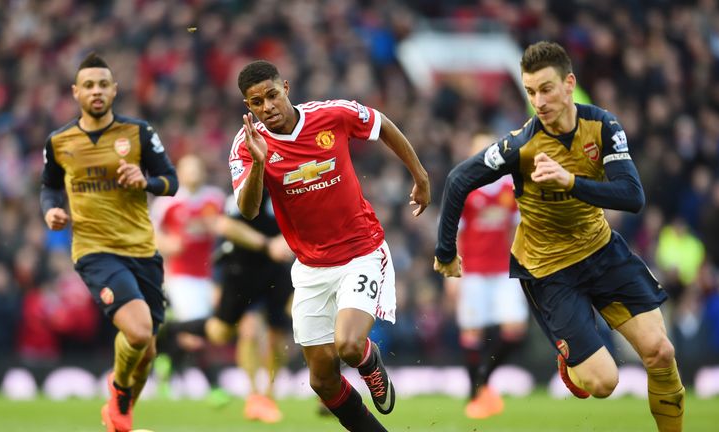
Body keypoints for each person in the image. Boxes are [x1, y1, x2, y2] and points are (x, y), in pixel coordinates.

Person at [434, 41, 684, 432]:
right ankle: (571, 362)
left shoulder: (603, 126)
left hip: (602, 251)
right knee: (603, 384)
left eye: (546, 89)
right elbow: (458, 179)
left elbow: (633, 196)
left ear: (569, 84)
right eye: (530, 91)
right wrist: (446, 250)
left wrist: (571, 181)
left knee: (661, 352)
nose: (538, 100)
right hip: (550, 271)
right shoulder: (520, 144)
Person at [230, 60, 430, 431]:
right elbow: (248, 208)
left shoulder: (331, 115)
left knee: (349, 346)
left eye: (272, 95)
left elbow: (381, 123)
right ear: (249, 106)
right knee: (321, 381)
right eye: (256, 102)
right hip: (310, 268)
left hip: (362, 253)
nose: (267, 107)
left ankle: (370, 360)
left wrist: (419, 176)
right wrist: (259, 164)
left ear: (286, 87)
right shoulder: (248, 144)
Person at [40, 52, 178, 432]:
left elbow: (171, 180)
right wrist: (51, 212)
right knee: (137, 331)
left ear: (114, 90)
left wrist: (146, 181)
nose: (96, 91)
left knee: (147, 350)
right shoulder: (60, 141)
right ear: (76, 92)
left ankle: (119, 419)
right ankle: (118, 395)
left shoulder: (138, 133)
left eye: (103, 84)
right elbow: (49, 188)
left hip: (142, 250)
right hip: (95, 250)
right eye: (89, 85)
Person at [153, 154, 294, 423]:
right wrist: (166, 245)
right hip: (224, 273)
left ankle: (265, 396)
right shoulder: (174, 202)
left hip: (267, 271)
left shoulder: (214, 197)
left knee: (279, 336)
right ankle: (176, 343)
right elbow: (224, 226)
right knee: (228, 332)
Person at [443, 131, 527, 419]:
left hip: (503, 271)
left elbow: (516, 231)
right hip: (473, 272)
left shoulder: (509, 189)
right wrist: (451, 276)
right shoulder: (466, 189)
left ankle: (483, 377)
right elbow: (454, 235)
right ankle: (474, 396)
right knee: (472, 332)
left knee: (515, 331)